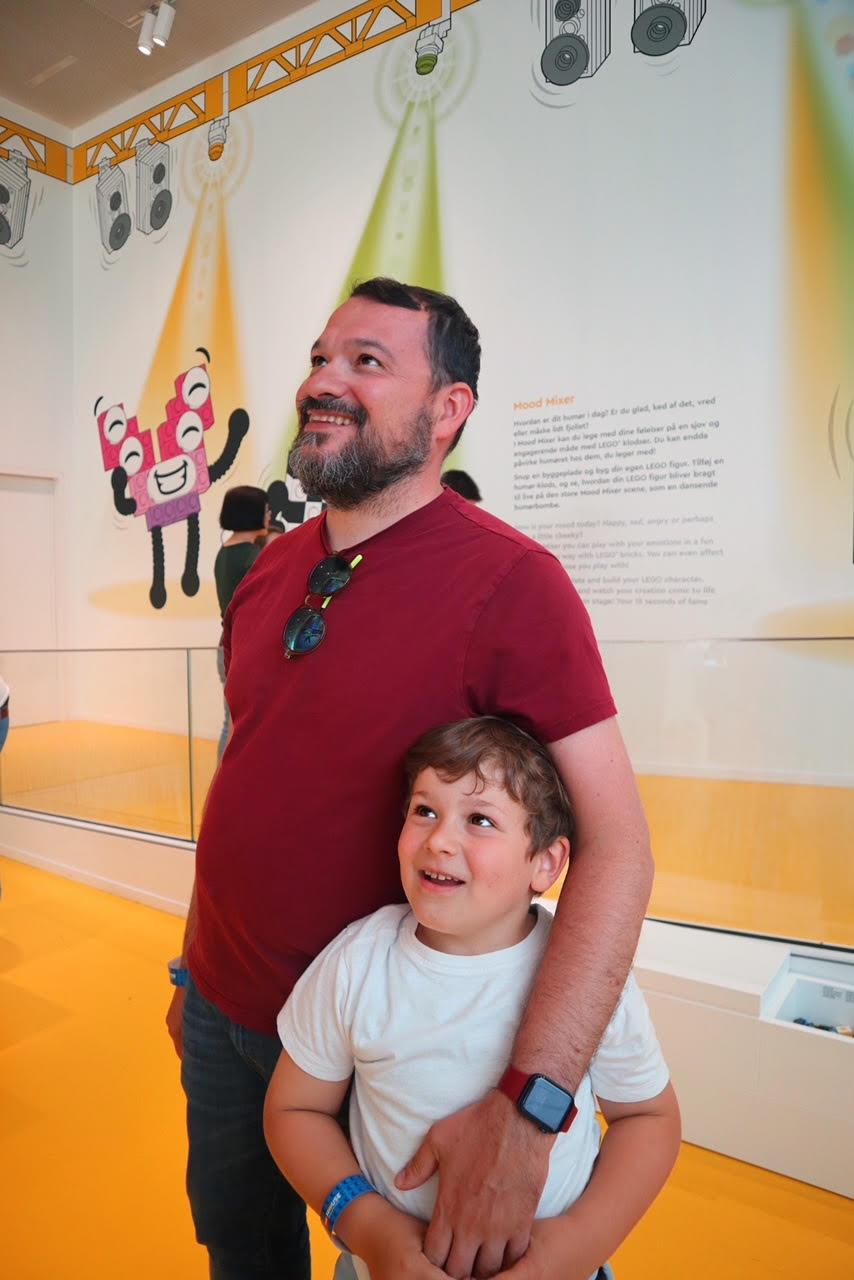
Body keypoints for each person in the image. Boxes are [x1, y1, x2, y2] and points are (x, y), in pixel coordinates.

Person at [166, 277, 653, 1280]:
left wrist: (530, 1108)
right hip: (223, 1006)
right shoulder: (269, 571)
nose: (322, 381)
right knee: (239, 1247)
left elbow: (616, 847)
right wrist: (190, 966)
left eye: (367, 362)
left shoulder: (513, 583)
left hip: (389, 1037)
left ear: (447, 409)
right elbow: (244, 767)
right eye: (319, 357)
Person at [265, 718, 680, 1280]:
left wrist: (572, 1249)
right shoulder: (356, 962)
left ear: (546, 863)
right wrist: (370, 1229)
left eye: (480, 819)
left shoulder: (581, 976)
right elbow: (295, 1110)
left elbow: (649, 1119)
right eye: (424, 810)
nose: (439, 839)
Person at [213, 485, 270, 761]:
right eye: (266, 510)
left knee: (230, 723)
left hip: (227, 648)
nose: (269, 516)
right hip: (244, 652)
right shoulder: (253, 557)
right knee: (242, 727)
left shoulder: (225, 551)